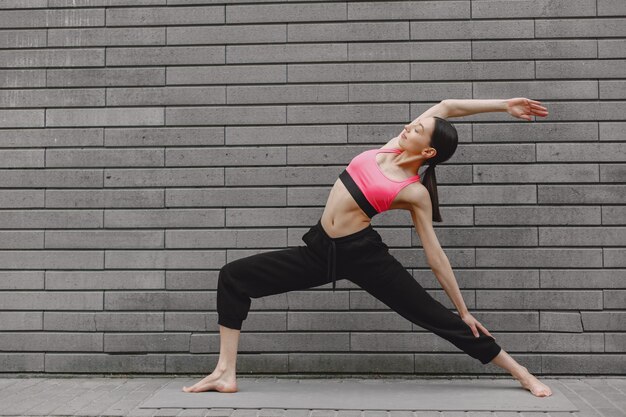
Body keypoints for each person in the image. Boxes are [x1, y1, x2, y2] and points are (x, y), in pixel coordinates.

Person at [183, 98, 552, 397]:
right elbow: (447, 106)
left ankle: (519, 371)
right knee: (233, 277)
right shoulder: (392, 148)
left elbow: (434, 255)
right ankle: (224, 372)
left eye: (418, 130)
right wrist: (504, 105)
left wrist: (464, 309)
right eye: (414, 124)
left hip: (362, 256)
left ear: (427, 153)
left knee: (435, 317)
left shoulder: (413, 191)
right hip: (319, 251)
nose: (410, 126)